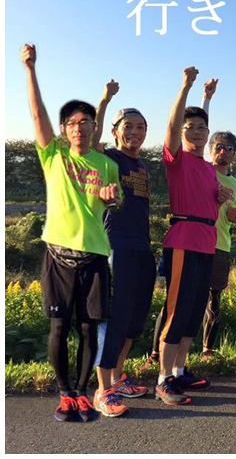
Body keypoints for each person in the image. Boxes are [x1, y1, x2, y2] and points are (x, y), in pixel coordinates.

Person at [22, 44, 122, 422]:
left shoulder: (105, 164)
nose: (79, 127)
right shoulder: (54, 156)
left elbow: (116, 203)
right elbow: (37, 113)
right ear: (64, 130)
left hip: (94, 255)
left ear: (95, 127)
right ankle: (64, 393)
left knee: (88, 328)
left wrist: (112, 199)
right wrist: (30, 68)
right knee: (59, 327)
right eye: (73, 123)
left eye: (86, 122)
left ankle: (82, 393)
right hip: (58, 255)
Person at [154, 67, 231, 406]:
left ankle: (180, 370)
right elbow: (173, 128)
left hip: (206, 242)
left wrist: (206, 100)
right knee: (176, 311)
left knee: (194, 310)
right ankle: (163, 379)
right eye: (191, 128)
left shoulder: (208, 168)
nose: (196, 132)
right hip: (183, 239)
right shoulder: (178, 159)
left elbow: (198, 125)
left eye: (202, 128)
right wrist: (186, 86)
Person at [92, 80, 154, 417]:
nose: (135, 132)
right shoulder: (107, 158)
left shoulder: (142, 166)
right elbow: (92, 138)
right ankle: (103, 391)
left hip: (142, 247)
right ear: (115, 131)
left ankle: (118, 379)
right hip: (116, 245)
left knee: (134, 319)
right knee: (115, 318)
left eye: (140, 127)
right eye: (128, 126)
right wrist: (105, 100)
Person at [200, 85, 236, 359]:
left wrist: (234, 217)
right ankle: (162, 352)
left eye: (229, 149)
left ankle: (207, 348)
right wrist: (206, 99)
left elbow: (233, 216)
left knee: (214, 298)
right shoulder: (202, 171)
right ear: (210, 149)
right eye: (219, 147)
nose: (224, 152)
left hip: (222, 245)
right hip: (197, 242)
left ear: (234, 154)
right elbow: (198, 129)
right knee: (186, 296)